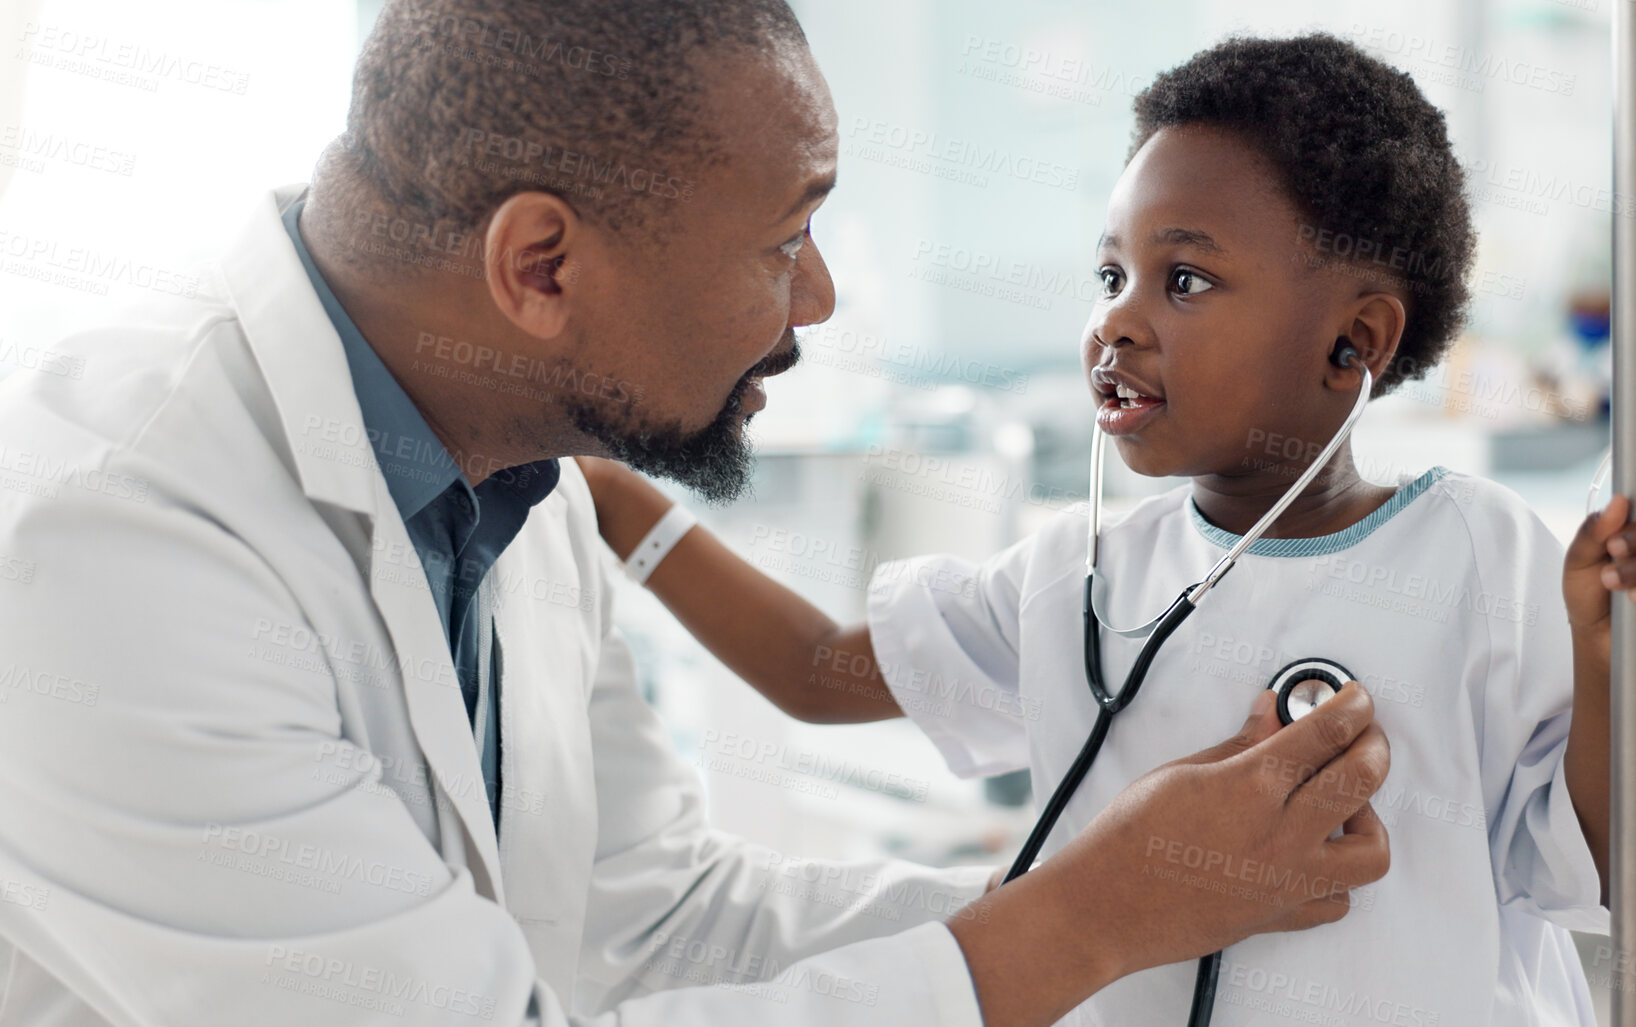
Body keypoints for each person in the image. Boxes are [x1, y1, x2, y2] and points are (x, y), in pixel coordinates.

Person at [0, 4, 1393, 1026]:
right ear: (540, 265)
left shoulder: (511, 461)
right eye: (784, 241)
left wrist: (1121, 889)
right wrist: (1079, 921)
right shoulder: (111, 544)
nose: (818, 301)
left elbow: (649, 919)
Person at [575, 34, 1636, 1027]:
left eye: (1184, 279)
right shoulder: (1081, 577)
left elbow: (1624, 890)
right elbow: (819, 672)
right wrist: (624, 506)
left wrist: (1620, 663)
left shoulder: (1482, 558)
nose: (1117, 321)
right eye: (1110, 272)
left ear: (1353, 342)